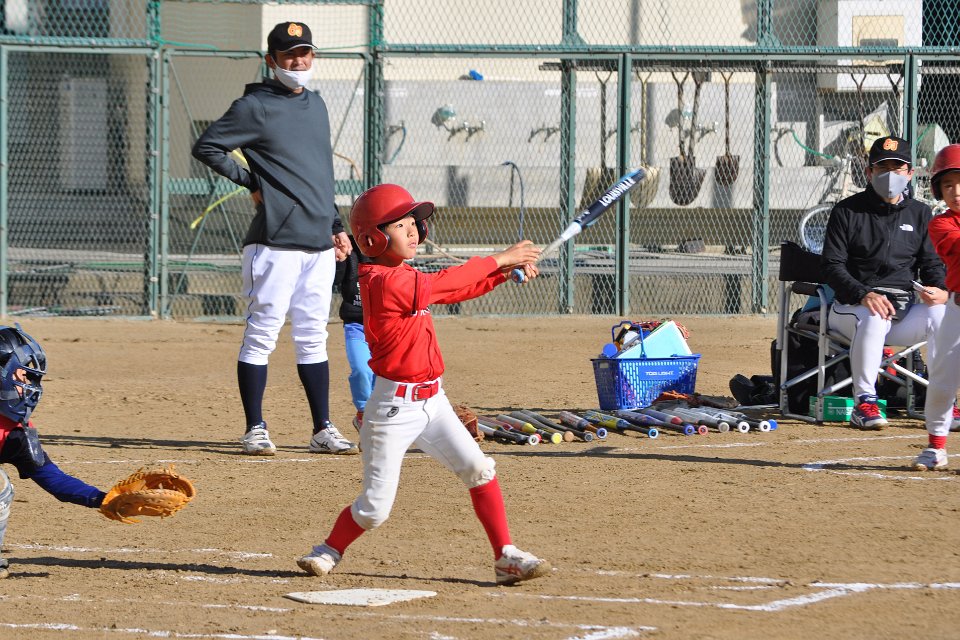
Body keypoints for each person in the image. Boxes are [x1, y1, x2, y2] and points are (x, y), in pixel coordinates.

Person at [296, 184, 551, 585]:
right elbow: (445, 283)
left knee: (479, 470)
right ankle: (327, 549)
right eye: (400, 225)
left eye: (413, 223)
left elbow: (456, 290)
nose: (413, 230)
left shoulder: (403, 274)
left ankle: (505, 556)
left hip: (434, 401)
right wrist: (500, 258)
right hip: (393, 409)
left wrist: (501, 275)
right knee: (374, 509)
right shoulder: (381, 281)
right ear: (372, 238)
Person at [192, 21, 358, 456]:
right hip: (274, 241)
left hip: (318, 241)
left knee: (313, 336)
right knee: (263, 333)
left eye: (305, 53)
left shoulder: (317, 104)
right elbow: (207, 146)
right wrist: (251, 182)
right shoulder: (255, 106)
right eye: (289, 55)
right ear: (272, 60)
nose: (298, 61)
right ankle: (255, 428)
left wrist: (336, 225)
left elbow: (320, 173)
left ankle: (322, 429)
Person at [821, 135, 953, 430]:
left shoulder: (920, 213)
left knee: (942, 314)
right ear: (869, 172)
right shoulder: (847, 211)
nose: (890, 174)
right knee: (875, 315)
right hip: (850, 308)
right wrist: (863, 294)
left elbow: (931, 265)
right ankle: (864, 402)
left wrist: (941, 290)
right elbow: (831, 267)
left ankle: (942, 402)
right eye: (882, 168)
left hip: (901, 310)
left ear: (910, 173)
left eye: (897, 167)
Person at [0, 325, 107, 578]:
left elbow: (54, 480)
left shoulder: (16, 432)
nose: (29, 383)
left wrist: (105, 499)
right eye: (22, 374)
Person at [916, 144, 960, 470]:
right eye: (948, 185)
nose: (956, 191)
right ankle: (936, 446)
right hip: (957, 311)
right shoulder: (940, 224)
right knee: (943, 378)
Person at [333, 235, 376, 432]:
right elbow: (334, 281)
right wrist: (339, 260)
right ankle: (363, 413)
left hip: (385, 327)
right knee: (362, 370)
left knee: (383, 374)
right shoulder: (350, 249)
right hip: (356, 325)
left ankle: (379, 416)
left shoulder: (391, 249)